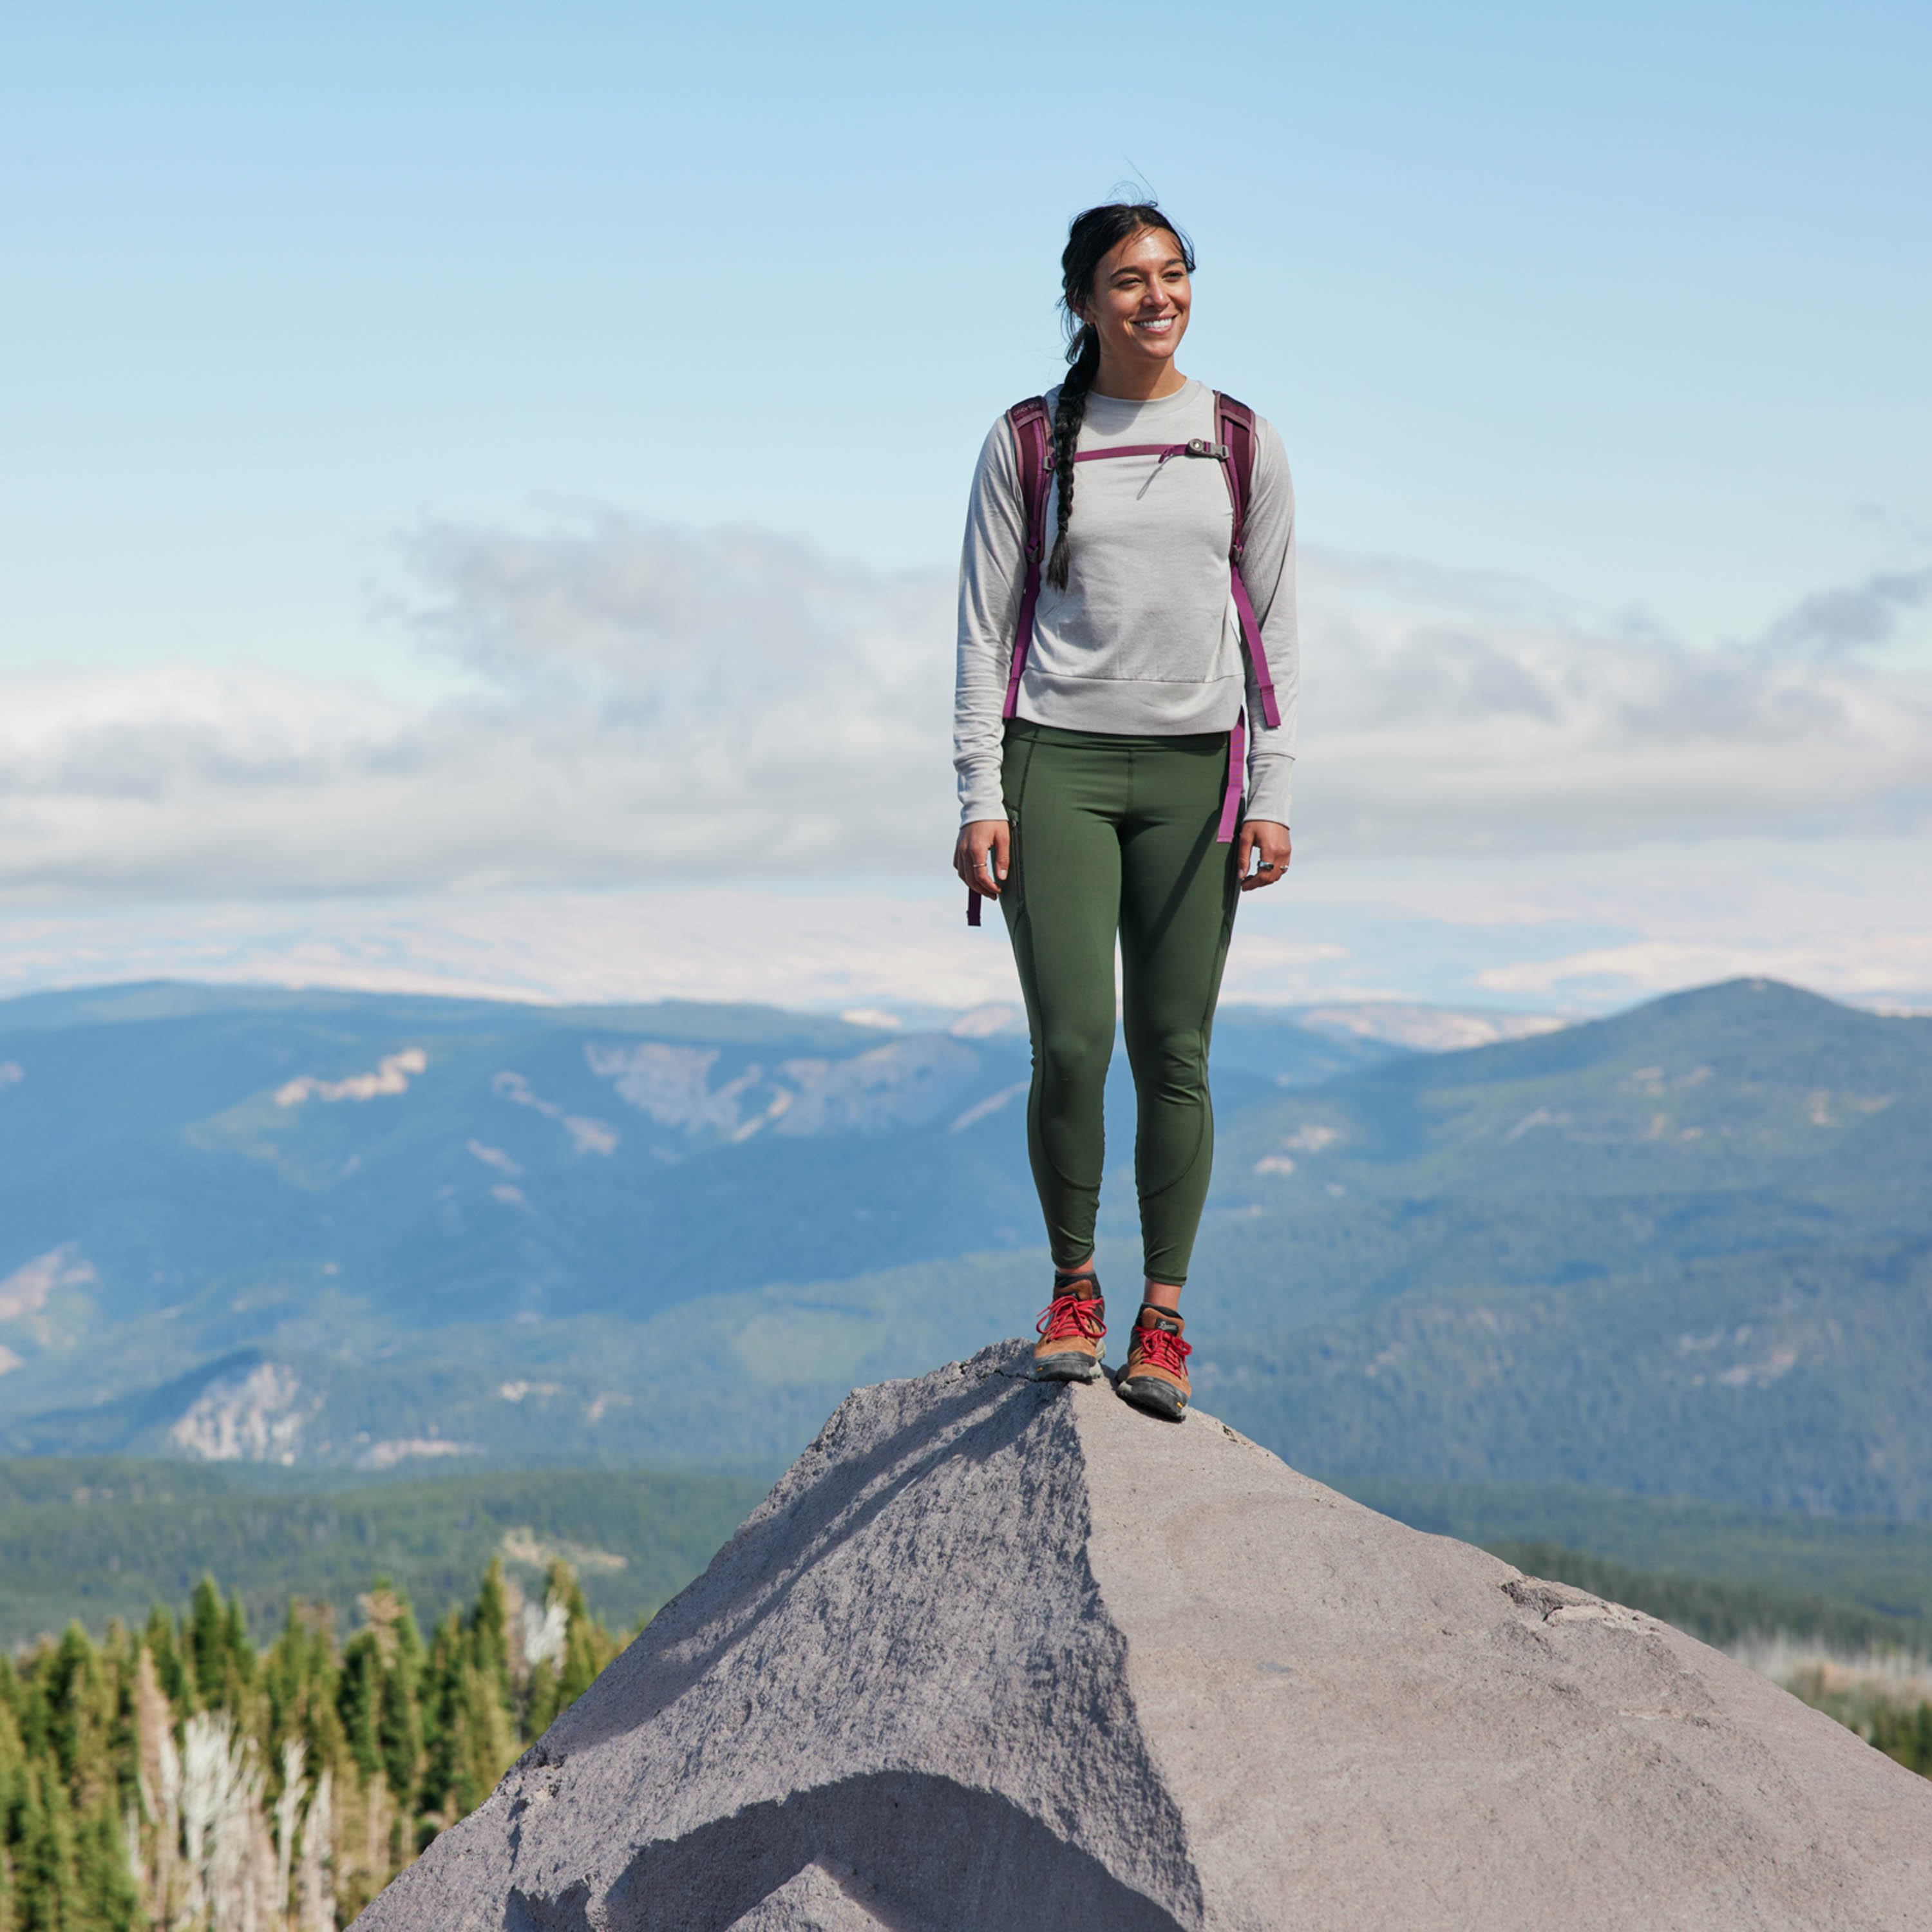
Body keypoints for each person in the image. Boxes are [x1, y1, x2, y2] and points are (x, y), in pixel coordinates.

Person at [952, 200, 1297, 1421]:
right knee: (1073, 1045)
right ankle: (1073, 1293)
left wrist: (1273, 789)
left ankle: (1163, 1321)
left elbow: (1276, 629)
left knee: (1175, 1052)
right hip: (1057, 765)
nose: (1159, 298)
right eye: (1129, 280)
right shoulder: (1027, 440)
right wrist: (979, 793)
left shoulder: (1239, 440)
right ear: (1084, 302)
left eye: (1174, 273)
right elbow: (982, 631)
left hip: (1200, 777)